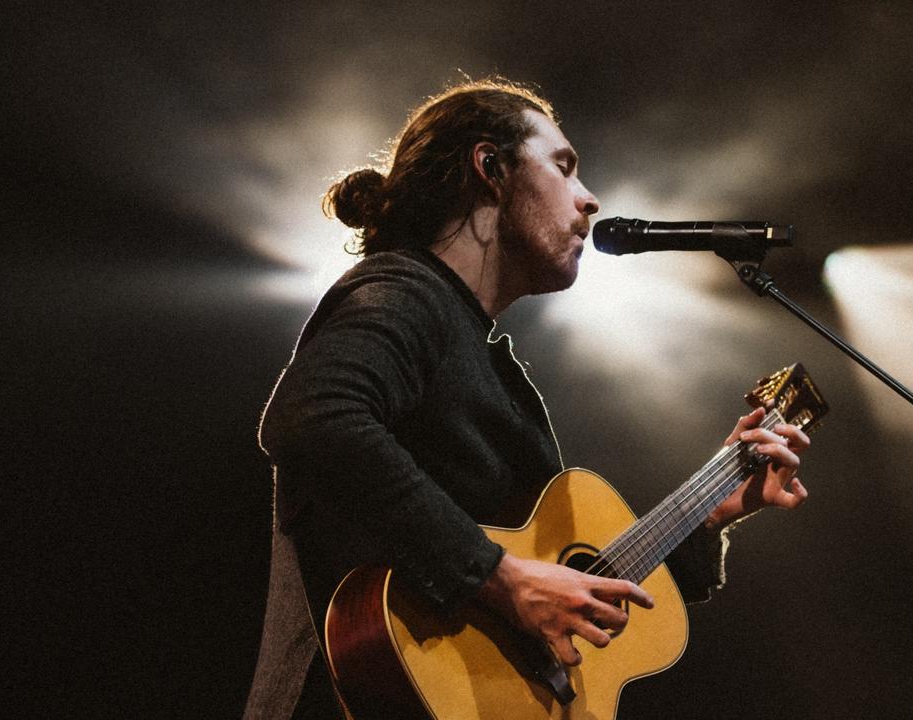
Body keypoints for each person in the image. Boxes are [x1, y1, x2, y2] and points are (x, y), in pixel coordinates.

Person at [242, 78, 810, 720]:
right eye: (563, 167)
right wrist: (502, 577)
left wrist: (709, 512)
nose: (589, 199)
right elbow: (313, 418)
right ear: (490, 169)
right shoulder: (404, 294)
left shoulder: (481, 353)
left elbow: (582, 595)